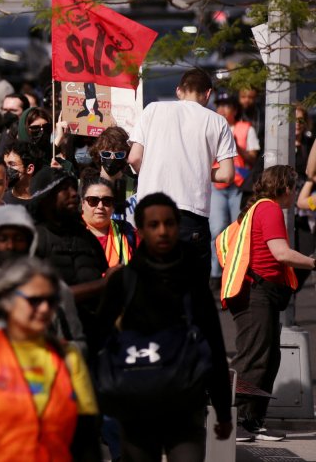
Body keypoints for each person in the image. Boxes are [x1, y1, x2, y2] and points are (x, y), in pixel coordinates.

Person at [96, 193, 234, 459]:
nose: (163, 231)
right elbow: (100, 343)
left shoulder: (192, 280)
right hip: (136, 408)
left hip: (185, 407)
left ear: (178, 225)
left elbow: (214, 343)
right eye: (154, 224)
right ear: (141, 230)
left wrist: (223, 410)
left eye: (169, 223)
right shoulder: (123, 282)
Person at [0, 258, 102, 462]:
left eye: (50, 300)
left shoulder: (69, 357)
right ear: (7, 301)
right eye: (34, 301)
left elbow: (86, 439)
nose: (44, 309)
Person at [217, 166, 316, 441]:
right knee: (254, 357)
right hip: (253, 292)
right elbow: (280, 253)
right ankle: (233, 421)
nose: (295, 192)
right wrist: (312, 262)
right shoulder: (269, 209)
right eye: (293, 187)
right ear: (284, 188)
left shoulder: (261, 208)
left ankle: (251, 421)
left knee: (269, 358)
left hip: (260, 293)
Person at [129, 68, 234, 267]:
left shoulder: (152, 109)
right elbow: (227, 175)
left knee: (152, 280)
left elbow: (134, 157)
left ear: (179, 91)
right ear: (208, 94)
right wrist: (199, 170)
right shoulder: (218, 122)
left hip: (151, 211)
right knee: (190, 286)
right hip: (191, 215)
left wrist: (153, 170)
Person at [0, 206, 86, 354]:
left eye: (18, 239)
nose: (10, 246)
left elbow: (78, 346)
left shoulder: (54, 289)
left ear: (30, 242)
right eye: (3, 239)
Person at [29, 168, 110, 345]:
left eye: (74, 188)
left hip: (93, 340)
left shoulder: (86, 238)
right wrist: (102, 285)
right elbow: (42, 298)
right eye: (64, 189)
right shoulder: (33, 240)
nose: (74, 194)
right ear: (46, 198)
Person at [210, 95, 259, 251]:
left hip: (239, 187)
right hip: (217, 186)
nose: (222, 110)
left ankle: (236, 269)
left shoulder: (246, 128)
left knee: (239, 230)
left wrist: (237, 146)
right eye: (219, 106)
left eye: (227, 106)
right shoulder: (210, 127)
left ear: (235, 110)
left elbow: (253, 159)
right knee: (217, 230)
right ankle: (216, 274)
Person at [79, 175, 137, 268]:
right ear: (82, 203)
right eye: (93, 200)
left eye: (107, 201)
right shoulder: (68, 232)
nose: (100, 206)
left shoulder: (127, 231)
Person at [88, 126, 136, 223]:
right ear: (99, 154)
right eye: (106, 154)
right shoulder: (87, 186)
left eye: (118, 155)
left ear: (126, 156)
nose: (112, 158)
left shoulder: (135, 187)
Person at [2, 140, 42, 207]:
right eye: (4, 164)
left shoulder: (45, 202)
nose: (5, 169)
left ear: (29, 169)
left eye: (12, 164)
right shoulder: (1, 202)